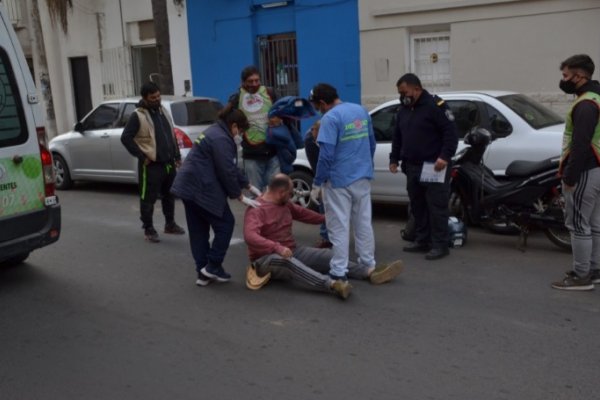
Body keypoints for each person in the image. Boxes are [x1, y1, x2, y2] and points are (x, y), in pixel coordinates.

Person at [244, 174, 404, 299]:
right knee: (289, 263)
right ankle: (333, 285)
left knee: (329, 256)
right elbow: (250, 236)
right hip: (265, 259)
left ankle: (370, 272)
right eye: (291, 193)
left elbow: (304, 214)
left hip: (291, 250)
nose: (293, 195)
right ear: (281, 192)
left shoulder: (285, 204)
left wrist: (328, 219)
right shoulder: (257, 209)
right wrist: (276, 247)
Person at [171, 105, 261, 286]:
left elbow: (230, 167)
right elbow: (226, 170)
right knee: (225, 224)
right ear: (234, 125)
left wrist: (248, 185)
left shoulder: (215, 131)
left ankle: (202, 274)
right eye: (241, 131)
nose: (241, 135)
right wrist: (240, 196)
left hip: (188, 187)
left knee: (199, 231)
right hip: (201, 188)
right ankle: (212, 266)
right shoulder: (221, 138)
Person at [308, 83, 377, 281]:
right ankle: (368, 264)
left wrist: (317, 182)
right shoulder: (360, 111)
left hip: (338, 181)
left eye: (317, 106)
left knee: (338, 226)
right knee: (363, 223)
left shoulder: (330, 118)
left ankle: (339, 271)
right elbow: (371, 144)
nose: (318, 111)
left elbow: (326, 155)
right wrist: (364, 166)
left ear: (322, 102)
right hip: (362, 177)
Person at [389, 73, 458, 260]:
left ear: (416, 89)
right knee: (418, 206)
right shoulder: (404, 109)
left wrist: (445, 156)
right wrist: (394, 159)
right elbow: (398, 136)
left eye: (405, 92)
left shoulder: (435, 106)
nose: (403, 96)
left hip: (433, 166)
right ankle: (422, 240)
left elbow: (450, 133)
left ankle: (440, 245)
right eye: (400, 93)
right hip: (411, 166)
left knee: (436, 206)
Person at [552, 54, 600, 291]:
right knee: (594, 224)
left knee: (579, 225)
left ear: (579, 76)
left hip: (586, 171)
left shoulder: (585, 105)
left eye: (566, 75)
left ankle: (581, 276)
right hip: (597, 170)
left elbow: (580, 144)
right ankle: (595, 269)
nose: (563, 81)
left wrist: (570, 177)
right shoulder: (596, 97)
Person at [121, 81, 186, 243]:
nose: (157, 100)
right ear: (145, 98)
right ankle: (148, 228)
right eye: (153, 98)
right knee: (148, 198)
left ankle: (169, 224)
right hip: (151, 165)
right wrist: (142, 157)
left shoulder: (163, 111)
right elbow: (126, 138)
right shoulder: (138, 115)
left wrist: (176, 156)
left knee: (169, 195)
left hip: (168, 163)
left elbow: (171, 135)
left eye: (158, 96)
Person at [229, 65, 279, 191]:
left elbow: (282, 112)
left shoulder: (270, 93)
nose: (254, 84)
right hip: (251, 155)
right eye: (250, 81)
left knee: (276, 193)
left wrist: (279, 120)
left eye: (257, 80)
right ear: (243, 82)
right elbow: (230, 122)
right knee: (256, 194)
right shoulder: (236, 99)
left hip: (272, 152)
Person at [304, 120, 332, 248]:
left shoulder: (330, 135)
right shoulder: (310, 139)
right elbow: (317, 164)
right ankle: (326, 237)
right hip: (323, 175)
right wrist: (318, 184)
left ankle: (332, 235)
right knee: (323, 205)